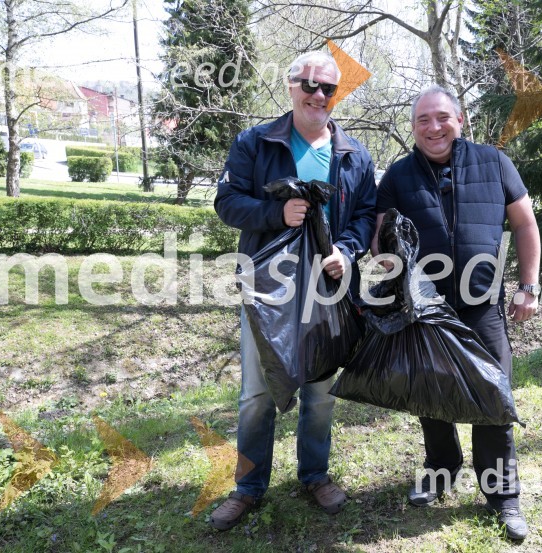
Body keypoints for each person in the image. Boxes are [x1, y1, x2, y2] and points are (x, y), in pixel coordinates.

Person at [211, 51, 376, 530]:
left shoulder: (354, 153)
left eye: (328, 88)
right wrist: (275, 214)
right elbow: (227, 202)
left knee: (320, 391)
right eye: (308, 84)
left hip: (328, 288)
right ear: (290, 86)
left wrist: (347, 250)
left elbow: (366, 214)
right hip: (269, 288)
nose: (318, 95)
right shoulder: (255, 143)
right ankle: (248, 487)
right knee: (257, 393)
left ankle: (314, 475)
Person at [372, 84, 541, 541]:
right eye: (423, 120)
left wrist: (529, 286)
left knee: (494, 397)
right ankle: (440, 471)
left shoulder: (494, 162)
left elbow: (525, 223)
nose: (433, 127)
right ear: (413, 127)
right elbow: (379, 239)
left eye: (442, 117)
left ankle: (503, 496)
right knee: (431, 394)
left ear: (459, 120)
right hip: (426, 310)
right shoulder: (398, 176)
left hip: (482, 305)